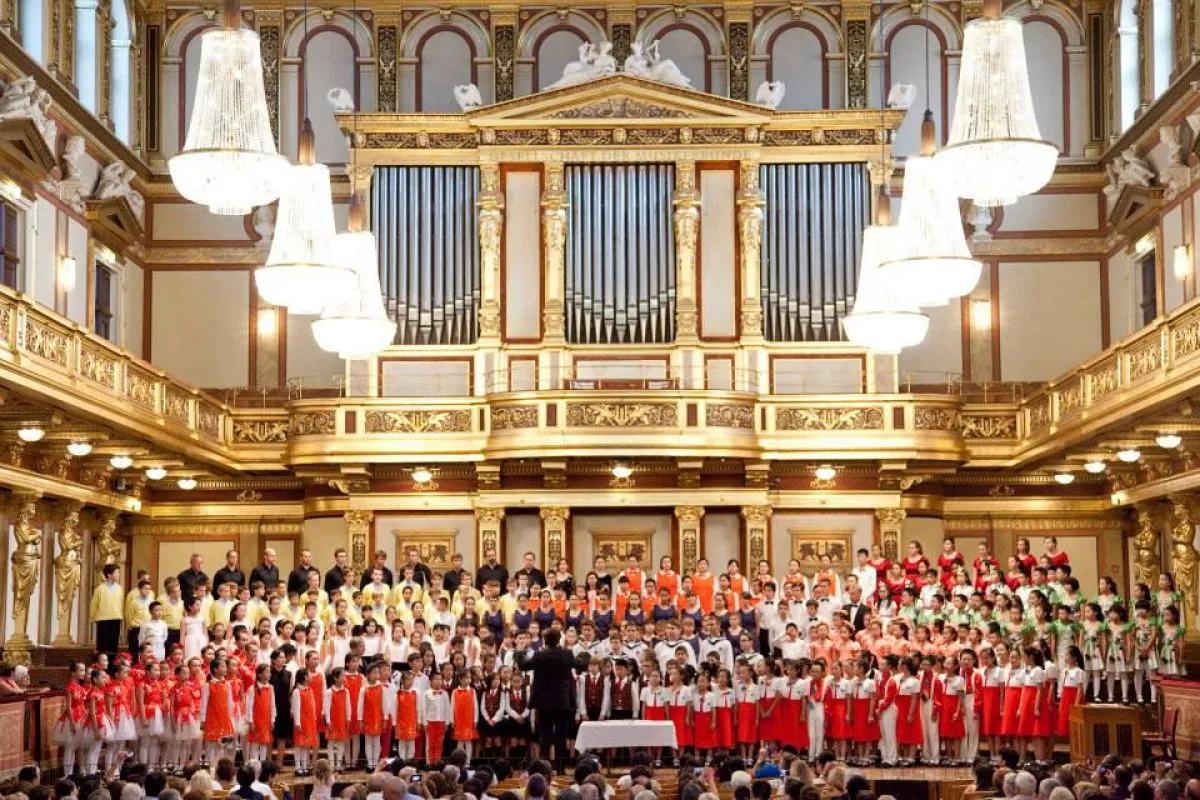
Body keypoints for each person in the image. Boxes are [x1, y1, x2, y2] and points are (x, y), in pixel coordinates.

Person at [517, 629, 589, 769]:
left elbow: (522, 665)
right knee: (561, 735)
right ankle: (560, 767)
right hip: (562, 701)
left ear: (545, 641)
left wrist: (520, 651)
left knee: (544, 734)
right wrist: (585, 651)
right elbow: (582, 665)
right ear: (558, 640)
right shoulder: (567, 654)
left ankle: (544, 767)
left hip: (543, 701)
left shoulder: (539, 655)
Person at [91, 564, 124, 656]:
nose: (118, 574)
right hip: (103, 619)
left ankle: (112, 665)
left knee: (113, 645)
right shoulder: (100, 589)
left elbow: (121, 603)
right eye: (116, 572)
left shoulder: (119, 588)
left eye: (118, 572)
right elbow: (94, 605)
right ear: (109, 575)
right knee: (102, 645)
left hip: (116, 618)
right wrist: (93, 618)